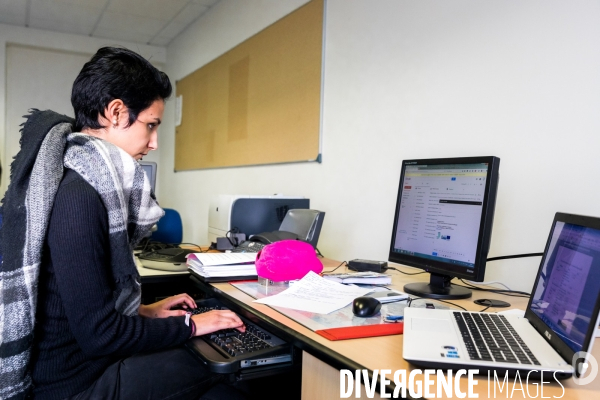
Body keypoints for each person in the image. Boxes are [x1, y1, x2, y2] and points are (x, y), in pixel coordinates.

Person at [0, 47, 246, 400]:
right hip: (74, 385)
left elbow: (84, 307)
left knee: (213, 360)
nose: (155, 142)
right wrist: (190, 325)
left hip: (85, 362)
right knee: (225, 369)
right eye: (151, 125)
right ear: (115, 113)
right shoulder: (79, 196)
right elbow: (99, 334)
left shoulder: (86, 183)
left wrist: (145, 312)